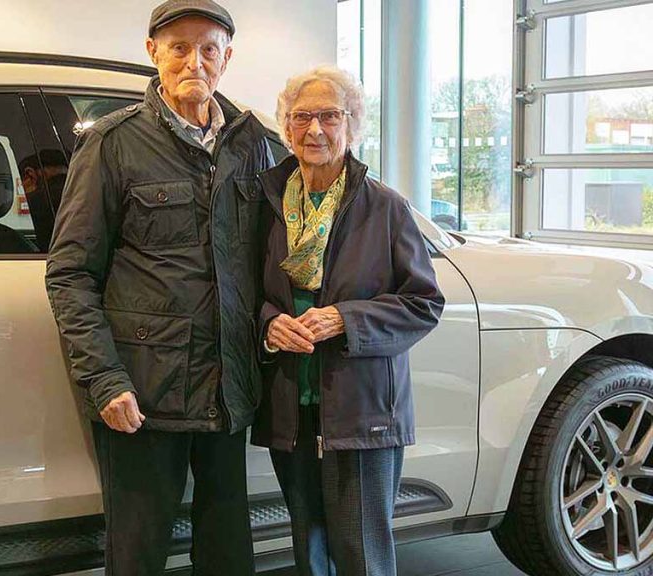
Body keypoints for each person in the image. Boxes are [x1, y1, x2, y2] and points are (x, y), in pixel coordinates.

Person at [44, 1, 274, 574]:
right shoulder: (113, 143)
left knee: (228, 553)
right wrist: (105, 378)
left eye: (209, 49)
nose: (194, 61)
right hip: (145, 392)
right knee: (139, 553)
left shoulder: (252, 143)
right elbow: (71, 273)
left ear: (227, 58)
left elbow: (282, 247)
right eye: (179, 47)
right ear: (153, 53)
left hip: (228, 387)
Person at [252, 66, 445, 576]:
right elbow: (246, 296)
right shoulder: (267, 206)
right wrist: (269, 324)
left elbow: (423, 303)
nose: (315, 129)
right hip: (292, 405)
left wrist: (345, 318)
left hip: (363, 410)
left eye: (330, 116)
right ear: (286, 129)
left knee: (361, 551)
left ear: (352, 126)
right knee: (308, 547)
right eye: (302, 118)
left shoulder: (385, 208)